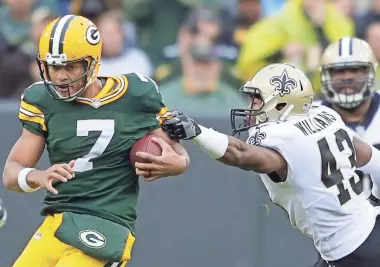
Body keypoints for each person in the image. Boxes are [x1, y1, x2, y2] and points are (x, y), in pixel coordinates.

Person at [137, 63, 380, 267]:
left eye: (256, 99)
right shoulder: (323, 116)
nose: (250, 108)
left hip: (352, 251)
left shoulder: (284, 139)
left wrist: (197, 132)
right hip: (368, 228)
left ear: (283, 104)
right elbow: (366, 154)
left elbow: (241, 154)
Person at [2, 15, 190, 267]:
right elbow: (11, 172)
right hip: (58, 220)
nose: (60, 76)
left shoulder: (136, 94)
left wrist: (178, 164)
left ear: (92, 63)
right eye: (55, 66)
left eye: (71, 66)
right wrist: (38, 176)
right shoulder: (41, 100)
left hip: (107, 223)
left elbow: (178, 155)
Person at [312, 36, 380, 267]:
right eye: (338, 72)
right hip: (341, 237)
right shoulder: (308, 117)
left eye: (355, 69)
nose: (347, 77)